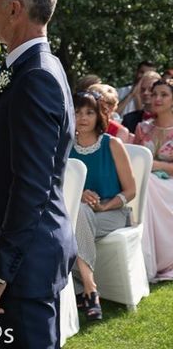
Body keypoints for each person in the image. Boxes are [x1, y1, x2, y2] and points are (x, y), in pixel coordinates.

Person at [0, 0, 77, 348]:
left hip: (25, 262)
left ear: (15, 9)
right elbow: (2, 163)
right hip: (19, 249)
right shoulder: (34, 68)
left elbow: (32, 184)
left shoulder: (36, 77)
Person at [69, 91, 136, 321]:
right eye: (77, 112)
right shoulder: (66, 147)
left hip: (114, 213)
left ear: (99, 115)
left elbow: (131, 191)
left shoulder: (112, 144)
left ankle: (83, 289)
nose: (83, 118)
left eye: (89, 112)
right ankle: (90, 287)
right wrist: (78, 194)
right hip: (81, 216)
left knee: (73, 224)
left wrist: (105, 207)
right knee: (80, 212)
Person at [134, 79, 173, 282]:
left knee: (147, 183)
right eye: (154, 93)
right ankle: (144, 257)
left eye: (164, 94)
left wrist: (155, 166)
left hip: (169, 186)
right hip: (146, 185)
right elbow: (131, 158)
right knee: (145, 184)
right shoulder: (142, 128)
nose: (157, 98)